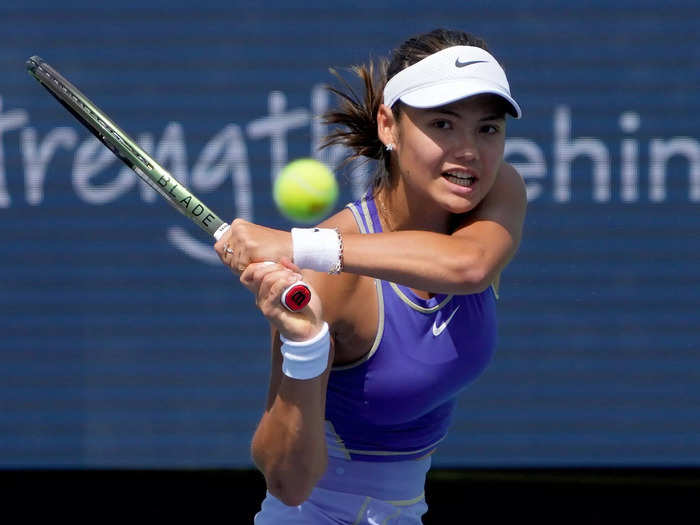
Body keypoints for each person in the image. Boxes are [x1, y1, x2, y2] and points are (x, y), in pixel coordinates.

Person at [215, 27, 526, 524]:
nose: (469, 150)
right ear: (388, 125)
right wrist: (305, 345)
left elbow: (468, 266)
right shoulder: (330, 283)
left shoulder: (496, 193)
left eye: (487, 129)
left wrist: (298, 245)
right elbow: (288, 485)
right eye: (443, 124)